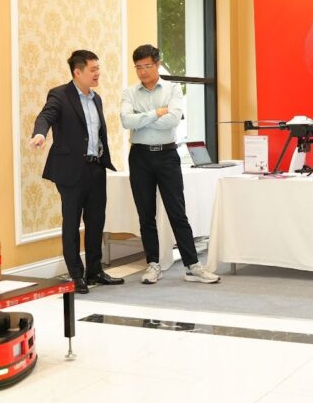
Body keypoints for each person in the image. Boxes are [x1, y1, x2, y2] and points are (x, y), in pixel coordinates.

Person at [120, 44, 219, 285]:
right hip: (140, 156)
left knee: (177, 212)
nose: (143, 72)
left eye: (147, 66)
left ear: (158, 64)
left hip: (167, 156)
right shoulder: (129, 93)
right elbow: (126, 121)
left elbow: (173, 120)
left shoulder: (173, 89)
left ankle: (192, 266)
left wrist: (142, 119)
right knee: (146, 214)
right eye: (138, 67)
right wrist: (157, 113)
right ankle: (153, 264)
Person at [30, 50, 124, 294]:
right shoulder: (60, 95)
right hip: (71, 170)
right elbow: (46, 116)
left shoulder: (96, 98)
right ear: (77, 72)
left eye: (98, 68)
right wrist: (40, 133)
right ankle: (76, 275)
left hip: (96, 168)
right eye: (93, 69)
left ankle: (95, 271)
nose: (98, 73)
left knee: (96, 221)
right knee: (71, 223)